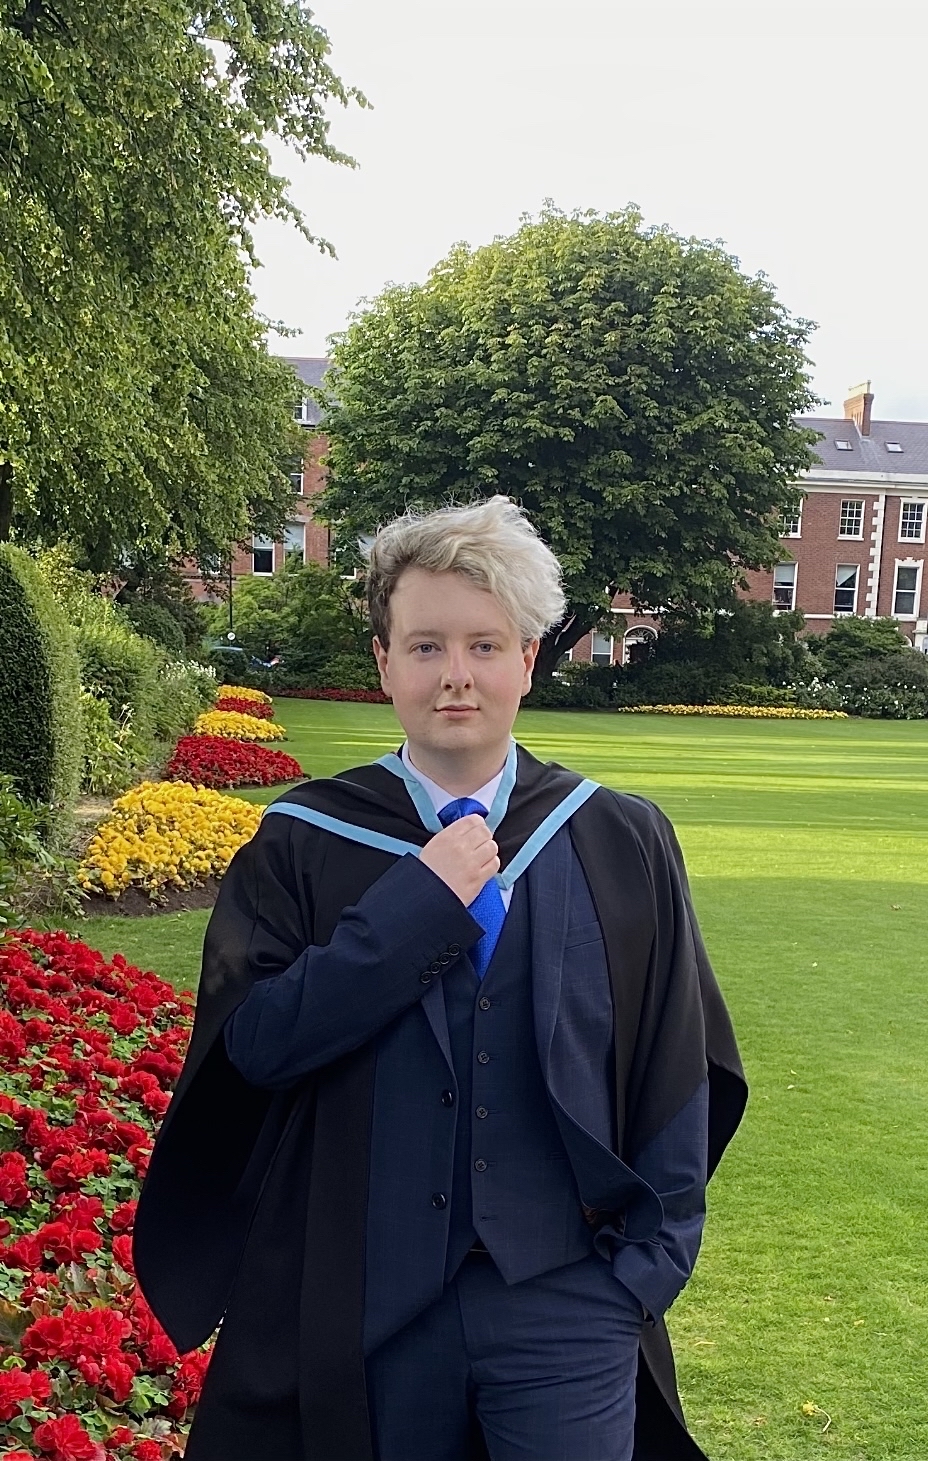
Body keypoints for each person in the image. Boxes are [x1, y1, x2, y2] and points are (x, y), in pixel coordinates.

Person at [134, 496, 747, 1461]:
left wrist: (644, 1269)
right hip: (367, 1304)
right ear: (384, 663)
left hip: (567, 1303)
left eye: (484, 645)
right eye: (425, 646)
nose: (455, 675)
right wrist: (417, 905)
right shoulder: (305, 841)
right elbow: (254, 1045)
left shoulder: (617, 837)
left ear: (528, 659)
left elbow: (680, 1062)